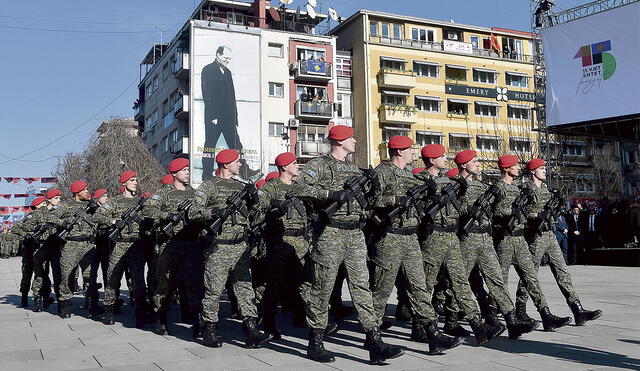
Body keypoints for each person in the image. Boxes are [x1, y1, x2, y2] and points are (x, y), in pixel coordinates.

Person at [292, 125, 405, 364]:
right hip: (330, 233)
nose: (355, 141)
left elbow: (370, 201)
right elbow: (299, 188)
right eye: (351, 138)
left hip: (355, 234)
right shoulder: (319, 165)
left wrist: (374, 187)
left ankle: (375, 342)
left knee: (362, 287)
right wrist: (330, 195)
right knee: (322, 288)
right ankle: (316, 342)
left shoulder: (354, 168)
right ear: (339, 141)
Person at [369, 136, 461, 354]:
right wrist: (394, 201)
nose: (413, 153)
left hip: (411, 238)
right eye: (410, 149)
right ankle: (373, 337)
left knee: (419, 287)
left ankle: (432, 334)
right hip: (390, 237)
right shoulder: (382, 173)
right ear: (399, 152)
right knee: (381, 290)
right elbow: (371, 201)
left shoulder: (411, 177)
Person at [415, 144, 504, 344]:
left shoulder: (450, 181)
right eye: (442, 156)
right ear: (431, 160)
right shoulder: (420, 180)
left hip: (452, 237)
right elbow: (415, 210)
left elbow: (460, 208)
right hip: (433, 237)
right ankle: (419, 326)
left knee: (461, 282)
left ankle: (477, 326)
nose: (446, 160)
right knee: (427, 283)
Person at [188, 149, 271, 348]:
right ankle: (209, 328)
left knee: (244, 289)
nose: (240, 164)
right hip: (219, 247)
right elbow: (193, 211)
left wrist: (254, 199)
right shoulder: (209, 186)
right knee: (213, 290)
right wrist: (215, 211)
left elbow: (255, 214)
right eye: (236, 161)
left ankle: (251, 330)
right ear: (225, 164)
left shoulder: (240, 186)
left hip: (240, 245)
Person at [455, 150, 538, 339]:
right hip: (467, 239)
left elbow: (494, 210)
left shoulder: (483, 187)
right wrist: (468, 209)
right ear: (463, 165)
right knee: (460, 280)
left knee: (496, 279)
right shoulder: (456, 186)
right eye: (474, 161)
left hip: (486, 238)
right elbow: (451, 212)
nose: (478, 164)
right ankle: (452, 318)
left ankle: (511, 321)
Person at [516, 159, 602, 326]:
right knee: (529, 275)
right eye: (541, 169)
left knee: (562, 272)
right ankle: (520, 309)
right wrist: (536, 217)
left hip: (550, 234)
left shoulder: (548, 191)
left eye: (544, 168)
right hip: (536, 236)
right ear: (533, 171)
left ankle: (577, 309)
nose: (544, 171)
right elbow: (521, 214)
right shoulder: (526, 190)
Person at [491, 155, 571, 331]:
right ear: (506, 168)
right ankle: (495, 317)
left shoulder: (521, 190)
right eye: (514, 165)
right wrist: (509, 214)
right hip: (504, 239)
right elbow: (492, 213)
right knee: (500, 281)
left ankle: (546, 314)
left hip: (520, 239)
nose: (519, 168)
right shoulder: (497, 188)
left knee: (531, 278)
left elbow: (528, 213)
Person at [143, 158, 204, 336]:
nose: (187, 172)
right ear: (174, 173)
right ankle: (160, 318)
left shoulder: (193, 193)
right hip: (170, 244)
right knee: (165, 284)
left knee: (194, 284)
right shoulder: (163, 192)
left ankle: (197, 321)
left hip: (191, 244)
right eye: (184, 169)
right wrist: (168, 216)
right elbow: (148, 211)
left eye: (188, 169)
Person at [94, 171, 148, 328]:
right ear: (124, 183)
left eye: (136, 180)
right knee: (113, 279)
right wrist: (113, 221)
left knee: (138, 280)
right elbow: (97, 216)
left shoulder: (141, 201)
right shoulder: (115, 201)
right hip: (119, 245)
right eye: (132, 180)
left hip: (136, 245)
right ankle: (109, 311)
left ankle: (140, 313)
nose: (135, 183)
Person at [47, 180, 101, 319]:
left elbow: (102, 219)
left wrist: (97, 209)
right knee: (67, 276)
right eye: (85, 190)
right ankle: (65, 304)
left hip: (89, 245)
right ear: (77, 192)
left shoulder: (91, 205)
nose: (87, 192)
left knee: (91, 277)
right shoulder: (66, 205)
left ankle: (92, 305)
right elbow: (49, 216)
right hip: (70, 245)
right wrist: (63, 223)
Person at [201, 46, 243, 181]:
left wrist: (235, 117)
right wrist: (213, 116)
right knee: (210, 146)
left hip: (229, 117)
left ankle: (244, 171)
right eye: (225, 58)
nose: (227, 61)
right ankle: (207, 174)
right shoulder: (208, 70)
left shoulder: (228, 72)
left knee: (236, 146)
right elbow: (207, 93)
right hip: (215, 117)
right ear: (218, 55)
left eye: (229, 59)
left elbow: (232, 95)